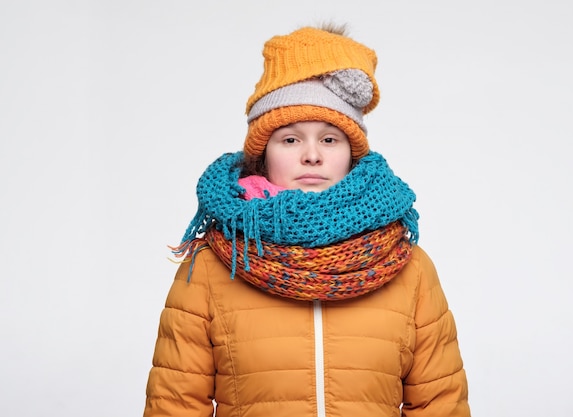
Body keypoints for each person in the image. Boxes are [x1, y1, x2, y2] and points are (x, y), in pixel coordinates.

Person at [143, 23, 471, 417]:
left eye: (329, 139)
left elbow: (440, 405)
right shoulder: (213, 265)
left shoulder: (407, 265)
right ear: (264, 153)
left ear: (352, 152)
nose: (312, 155)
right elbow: (175, 405)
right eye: (291, 139)